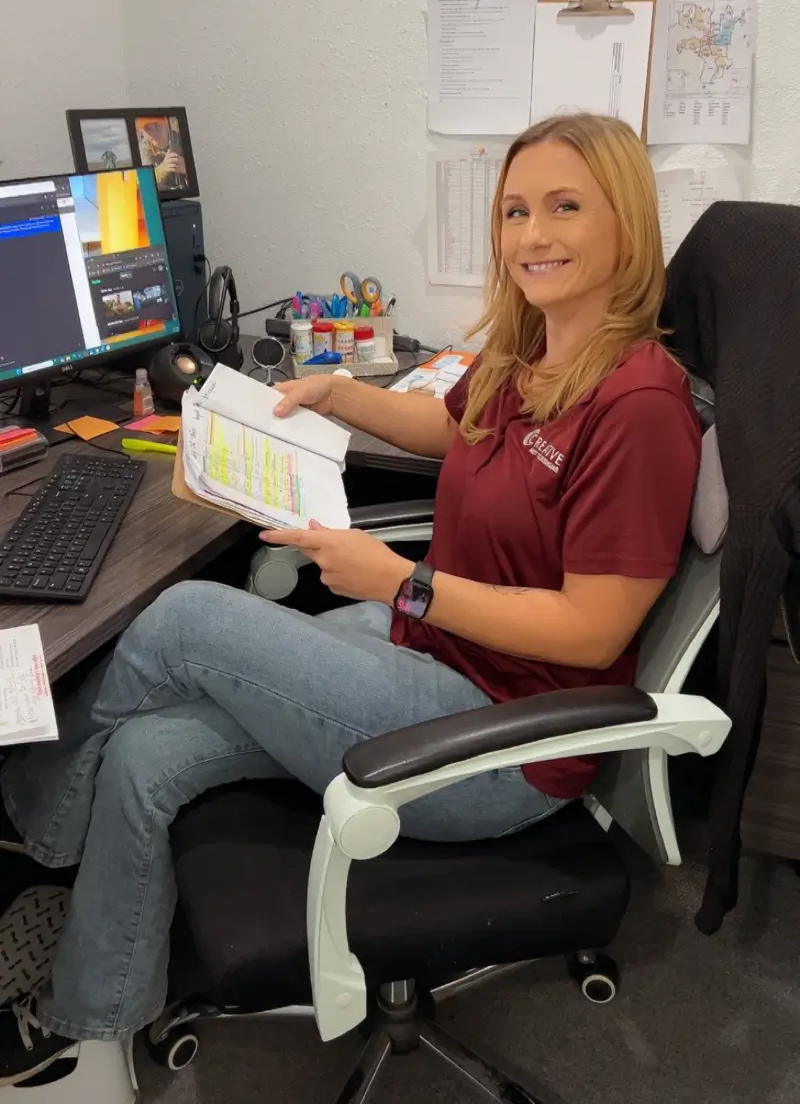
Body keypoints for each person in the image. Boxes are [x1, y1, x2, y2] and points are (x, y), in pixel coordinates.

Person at [0, 112, 700, 1083]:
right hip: (424, 653)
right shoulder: (528, 350)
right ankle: (86, 1019)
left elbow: (593, 631)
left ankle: (28, 827)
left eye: (563, 207)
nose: (531, 233)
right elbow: (448, 431)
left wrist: (402, 579)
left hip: (502, 737)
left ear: (623, 219)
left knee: (183, 618)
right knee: (151, 752)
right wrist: (338, 393)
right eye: (513, 210)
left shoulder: (640, 406)